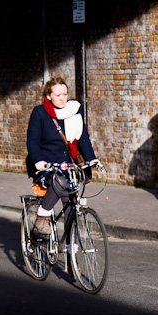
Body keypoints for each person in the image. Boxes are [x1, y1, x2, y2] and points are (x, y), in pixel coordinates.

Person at [26, 77, 101, 236]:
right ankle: (42, 215)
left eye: (64, 94)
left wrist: (91, 158)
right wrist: (38, 161)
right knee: (59, 181)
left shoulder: (74, 110)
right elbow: (32, 141)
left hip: (67, 166)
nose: (62, 98)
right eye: (58, 95)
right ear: (48, 96)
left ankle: (70, 255)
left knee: (71, 207)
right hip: (46, 167)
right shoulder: (39, 113)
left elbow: (82, 138)